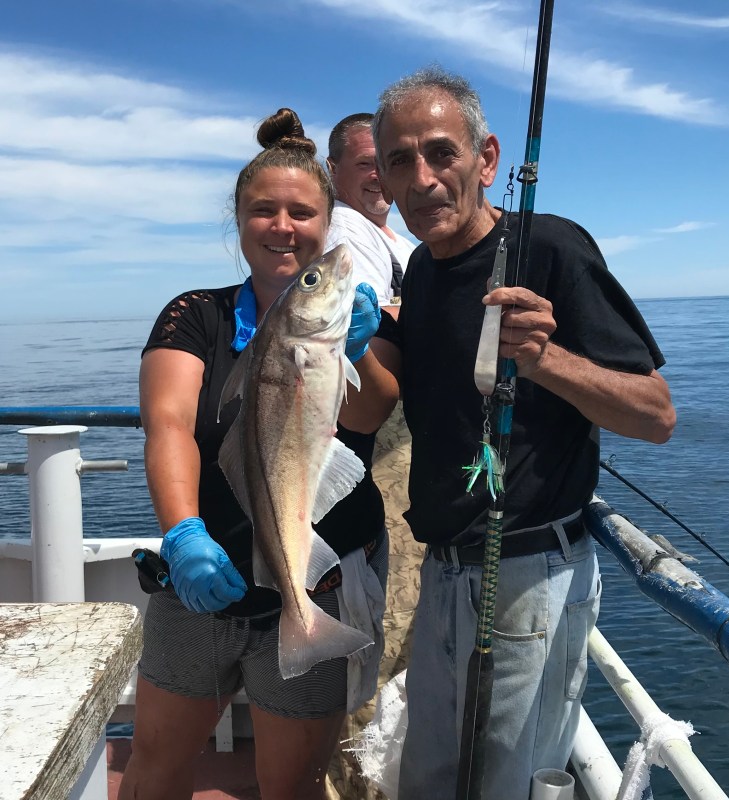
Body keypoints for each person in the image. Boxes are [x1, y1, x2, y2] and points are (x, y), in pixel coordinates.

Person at [370, 67, 677, 799]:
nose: (423, 178)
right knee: (434, 780)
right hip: (444, 569)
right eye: (399, 161)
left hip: (524, 574)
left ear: (487, 159)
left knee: (493, 785)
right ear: (380, 176)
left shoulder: (553, 249)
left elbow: (655, 414)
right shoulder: (420, 265)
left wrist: (544, 359)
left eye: (442, 152)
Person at [120, 107, 401, 800]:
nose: (283, 227)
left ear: (327, 220)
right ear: (239, 221)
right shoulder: (196, 315)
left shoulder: (364, 316)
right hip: (199, 588)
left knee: (294, 786)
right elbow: (169, 426)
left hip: (315, 584)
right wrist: (182, 533)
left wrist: (355, 346)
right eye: (263, 210)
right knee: (153, 766)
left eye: (302, 213)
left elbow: (371, 412)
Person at [326, 112, 417, 319]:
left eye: (388, 163)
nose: (379, 175)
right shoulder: (344, 226)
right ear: (332, 168)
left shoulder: (402, 242)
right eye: (364, 164)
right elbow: (373, 322)